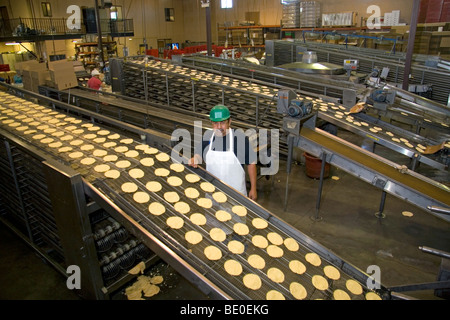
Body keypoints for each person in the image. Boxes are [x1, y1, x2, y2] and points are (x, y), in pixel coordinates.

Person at [189, 105, 258, 201]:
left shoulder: (240, 138)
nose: (219, 127)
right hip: (213, 191)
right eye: (215, 123)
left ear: (229, 121)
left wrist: (253, 188)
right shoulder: (208, 135)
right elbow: (198, 153)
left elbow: (251, 163)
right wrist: (195, 159)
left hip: (236, 194)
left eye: (222, 122)